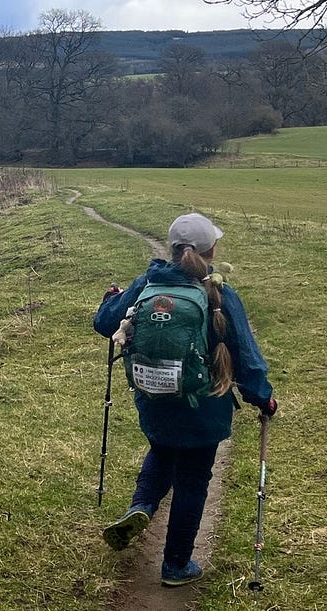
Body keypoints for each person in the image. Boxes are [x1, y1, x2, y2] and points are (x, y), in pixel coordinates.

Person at [93, 212, 277, 587]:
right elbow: (246, 359)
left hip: (154, 399)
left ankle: (141, 506)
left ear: (172, 248)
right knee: (193, 480)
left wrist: (111, 300)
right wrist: (263, 399)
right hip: (204, 409)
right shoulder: (221, 295)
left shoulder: (147, 284)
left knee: (161, 451)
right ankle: (176, 565)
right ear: (211, 250)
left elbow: (104, 323)